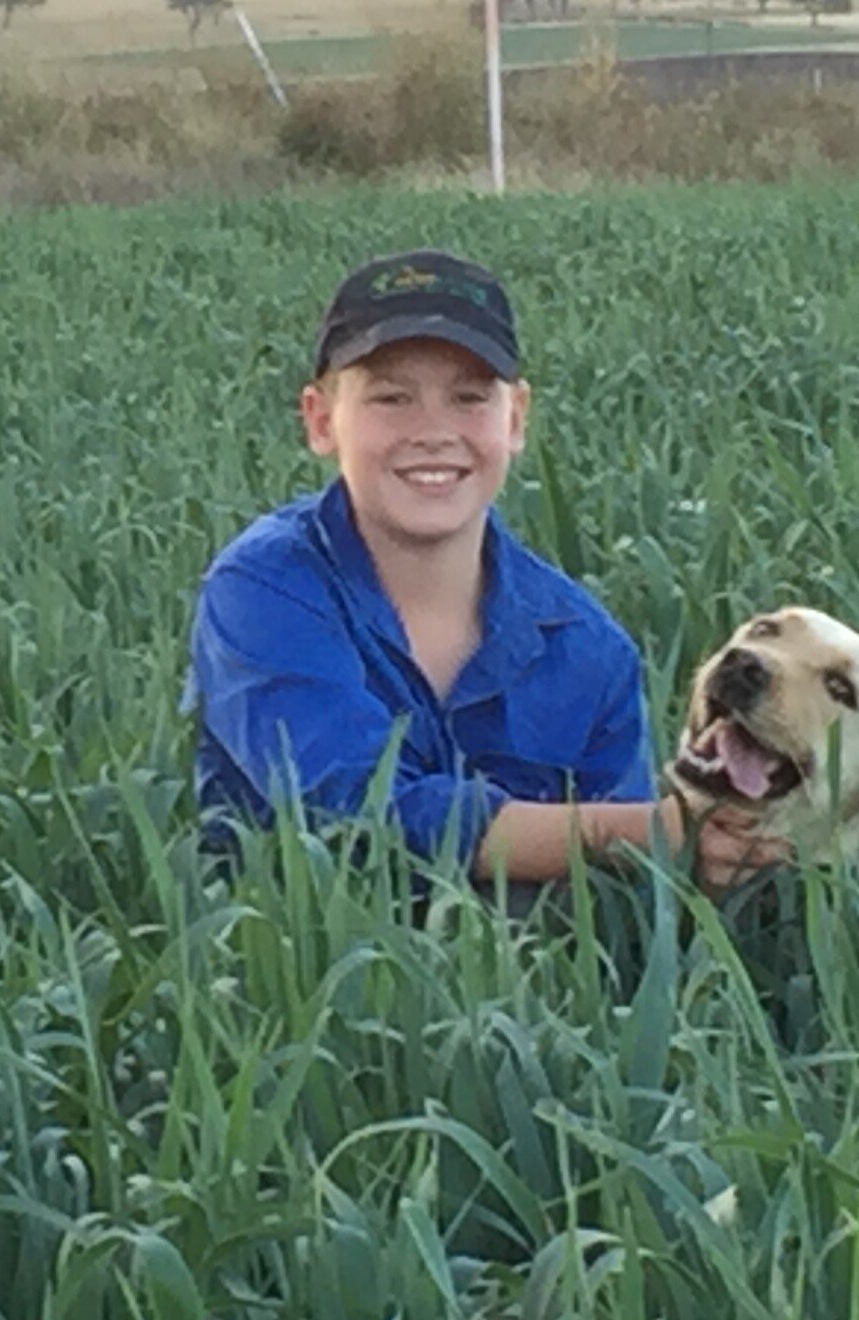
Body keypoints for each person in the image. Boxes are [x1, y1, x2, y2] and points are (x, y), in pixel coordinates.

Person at [185, 249, 784, 894]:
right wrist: (656, 833)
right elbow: (354, 809)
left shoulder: (590, 651)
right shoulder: (265, 586)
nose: (433, 431)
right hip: (297, 952)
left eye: (469, 398)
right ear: (321, 420)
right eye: (392, 398)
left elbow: (621, 905)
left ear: (516, 418)